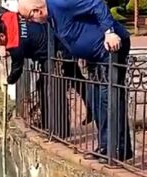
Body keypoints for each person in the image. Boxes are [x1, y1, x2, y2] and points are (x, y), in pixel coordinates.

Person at [18, 0, 133, 161]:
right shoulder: (51, 18)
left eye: (29, 17)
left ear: (37, 11)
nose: (29, 22)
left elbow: (97, 3)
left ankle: (119, 149)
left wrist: (109, 32)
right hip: (96, 57)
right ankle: (105, 145)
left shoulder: (61, 3)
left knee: (109, 99)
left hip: (111, 50)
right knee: (95, 99)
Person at [0, 5, 90, 138]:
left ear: (1, 36)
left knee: (55, 87)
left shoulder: (16, 47)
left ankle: (61, 131)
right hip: (55, 38)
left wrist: (8, 80)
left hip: (54, 52)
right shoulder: (8, 18)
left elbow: (16, 71)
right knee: (60, 82)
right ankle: (48, 124)